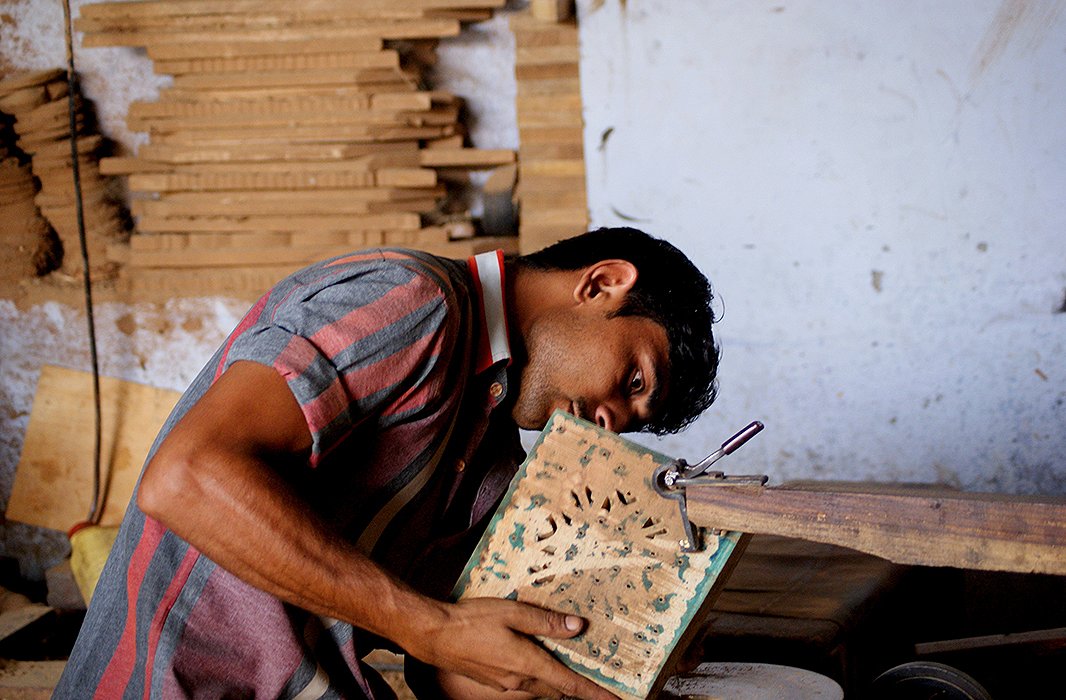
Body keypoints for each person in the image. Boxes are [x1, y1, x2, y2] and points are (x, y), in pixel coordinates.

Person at [53, 226, 721, 700]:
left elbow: (448, 668)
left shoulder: (491, 447)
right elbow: (186, 478)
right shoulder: (415, 301)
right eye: (633, 378)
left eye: (627, 422)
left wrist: (627, 645)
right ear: (602, 283)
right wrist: (428, 629)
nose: (608, 419)